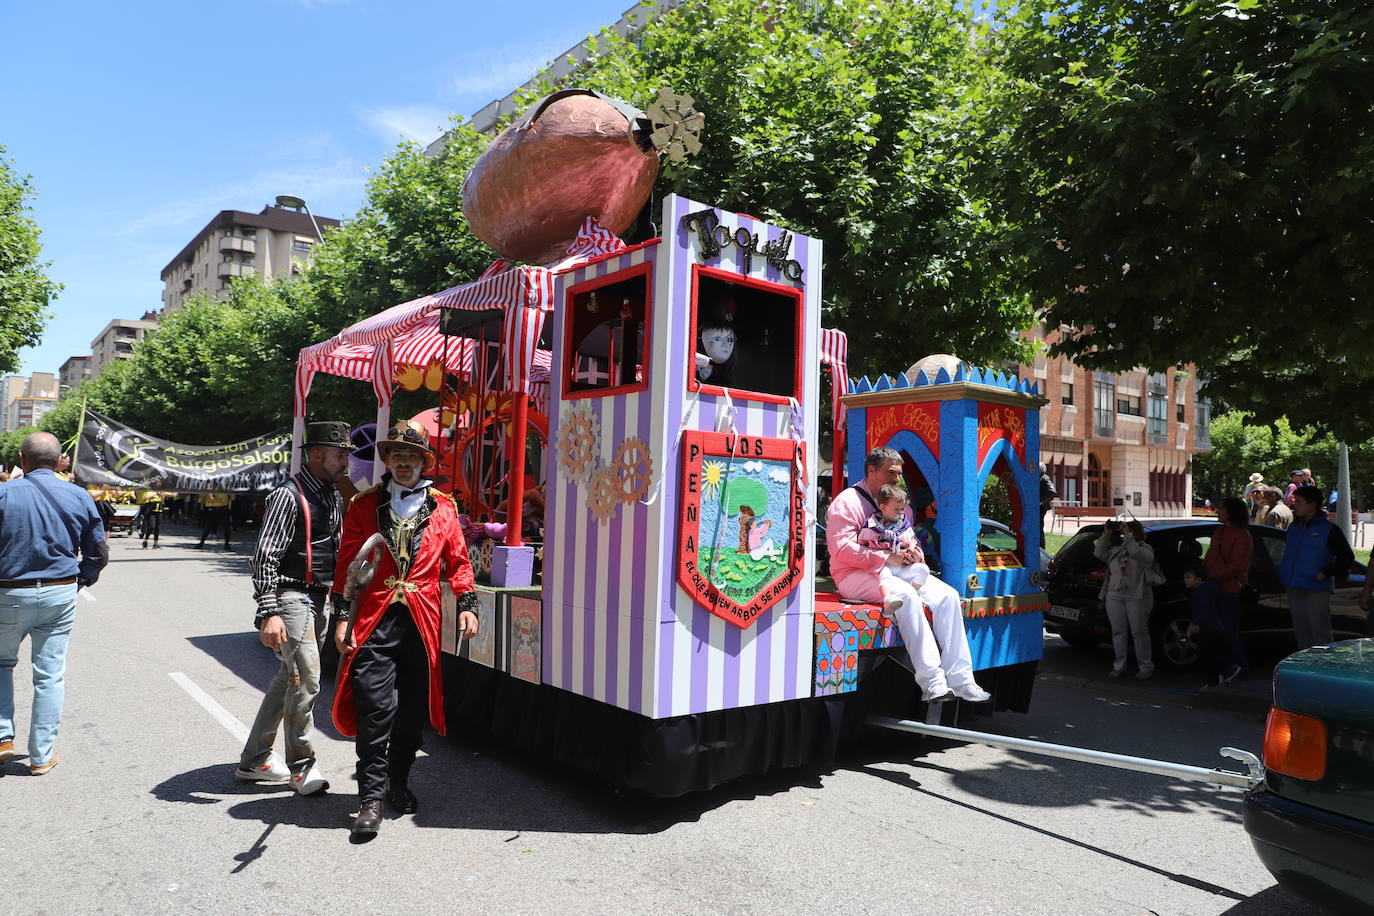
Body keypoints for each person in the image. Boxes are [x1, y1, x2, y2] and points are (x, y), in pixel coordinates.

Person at [331, 422, 479, 840]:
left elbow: (459, 561)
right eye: (396, 456)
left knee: (411, 714)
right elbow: (348, 565)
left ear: (423, 462)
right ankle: (370, 798)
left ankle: (398, 783)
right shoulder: (364, 506)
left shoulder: (444, 508)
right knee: (375, 710)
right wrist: (343, 615)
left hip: (421, 622)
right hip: (375, 618)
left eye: (412, 457)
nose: (404, 463)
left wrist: (467, 602)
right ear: (388, 461)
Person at [235, 421, 352, 794]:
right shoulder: (288, 495)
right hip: (292, 597)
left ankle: (254, 760)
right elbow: (264, 557)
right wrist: (268, 612)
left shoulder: (332, 495)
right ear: (317, 454)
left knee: (290, 678)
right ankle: (302, 765)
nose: (347, 461)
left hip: (316, 598)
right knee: (307, 679)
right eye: (340, 454)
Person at [826, 447, 990, 705]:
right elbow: (841, 548)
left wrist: (915, 553)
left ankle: (961, 679)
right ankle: (933, 682)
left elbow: (909, 536)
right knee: (906, 596)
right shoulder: (847, 502)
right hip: (853, 575)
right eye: (891, 473)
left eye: (899, 474)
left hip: (896, 570)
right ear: (871, 470)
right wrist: (883, 559)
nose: (896, 479)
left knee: (948, 596)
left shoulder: (899, 502)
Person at [0, 432, 108, 775]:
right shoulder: (78, 495)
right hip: (59, 591)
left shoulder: (3, 493)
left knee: (1, 664)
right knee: (49, 676)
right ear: (58, 459)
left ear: (21, 458)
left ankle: (3, 738)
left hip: (8, 592)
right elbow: (99, 550)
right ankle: (41, 756)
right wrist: (84, 577)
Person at [1280, 485, 1354, 650]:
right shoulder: (1294, 528)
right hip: (1293, 585)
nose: (1295, 505)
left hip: (1315, 587)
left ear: (1312, 504)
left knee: (1320, 632)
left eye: (1299, 502)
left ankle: (1324, 668)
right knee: (1301, 631)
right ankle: (1305, 669)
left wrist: (1326, 572)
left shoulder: (1329, 530)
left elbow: (1347, 557)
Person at [1093, 519, 1156, 679]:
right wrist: (1106, 534)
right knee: (1118, 631)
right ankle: (1119, 666)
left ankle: (1146, 667)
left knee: (1139, 631)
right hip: (1114, 594)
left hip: (1136, 595)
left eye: (1129, 531)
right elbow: (1099, 553)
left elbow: (1139, 555)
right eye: (1124, 531)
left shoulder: (1145, 549)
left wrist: (1128, 537)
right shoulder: (1116, 550)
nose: (1125, 534)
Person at [1203, 496, 1253, 679]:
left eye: (1222, 508)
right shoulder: (1220, 532)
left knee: (1229, 631)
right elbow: (1210, 557)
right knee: (1216, 632)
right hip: (1216, 587)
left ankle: (1240, 667)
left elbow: (1236, 566)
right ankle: (1227, 668)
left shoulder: (1242, 535)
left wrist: (1213, 573)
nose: (1218, 511)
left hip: (1232, 590)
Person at [856, 484, 929, 603]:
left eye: (902, 509)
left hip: (903, 567)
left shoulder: (904, 527)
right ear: (883, 507)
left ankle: (914, 593)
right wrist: (883, 555)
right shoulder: (871, 527)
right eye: (896, 509)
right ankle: (887, 599)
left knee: (923, 569)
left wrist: (912, 553)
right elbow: (862, 549)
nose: (900, 512)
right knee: (884, 575)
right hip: (884, 567)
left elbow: (914, 542)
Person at [1184, 565, 1234, 689]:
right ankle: (1219, 676)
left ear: (1199, 579)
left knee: (1206, 654)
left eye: (1188, 577)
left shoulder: (1200, 592)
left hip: (1208, 628)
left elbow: (1203, 610)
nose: (1185, 580)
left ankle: (1223, 673)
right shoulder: (1210, 590)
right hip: (1215, 627)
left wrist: (1197, 623)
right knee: (1211, 653)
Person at [1038, 463, 1057, 546]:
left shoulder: (1044, 478)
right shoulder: (1040, 478)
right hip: (1039, 507)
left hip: (1041, 507)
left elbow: (1052, 492)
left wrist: (1042, 501)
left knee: (1039, 528)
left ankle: (1041, 547)